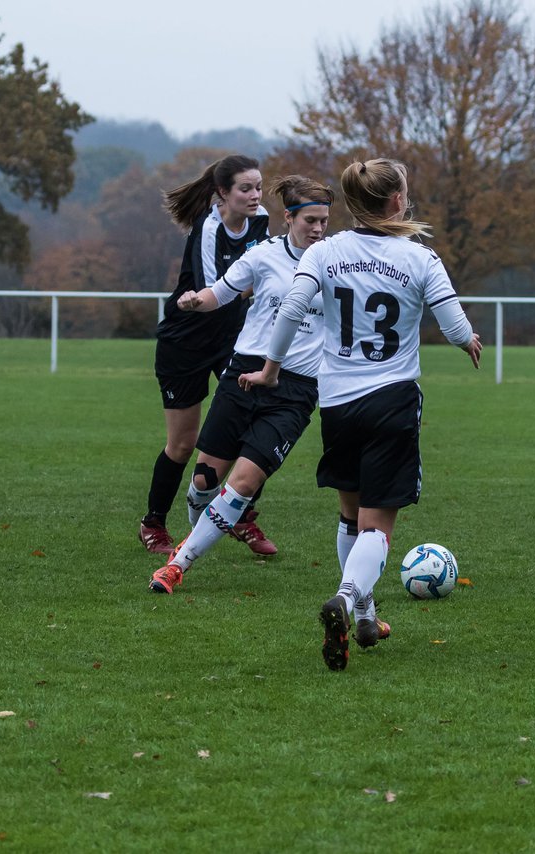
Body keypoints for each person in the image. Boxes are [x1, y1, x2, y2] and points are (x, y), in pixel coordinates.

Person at [240, 158, 482, 671]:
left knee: (350, 515)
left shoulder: (326, 251)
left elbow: (289, 309)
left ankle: (367, 616)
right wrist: (469, 341)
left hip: (337, 402)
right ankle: (346, 600)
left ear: (351, 203)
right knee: (378, 529)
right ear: (397, 201)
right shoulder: (420, 258)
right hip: (392, 400)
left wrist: (269, 370)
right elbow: (456, 327)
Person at [139, 155, 277, 557]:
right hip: (186, 342)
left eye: (258, 187)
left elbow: (256, 275)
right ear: (222, 193)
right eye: (245, 189)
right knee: (182, 444)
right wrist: (239, 288)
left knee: (256, 426)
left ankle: (241, 515)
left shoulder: (260, 219)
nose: (255, 196)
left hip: (234, 339)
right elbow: (213, 292)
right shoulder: (208, 228)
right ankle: (153, 523)